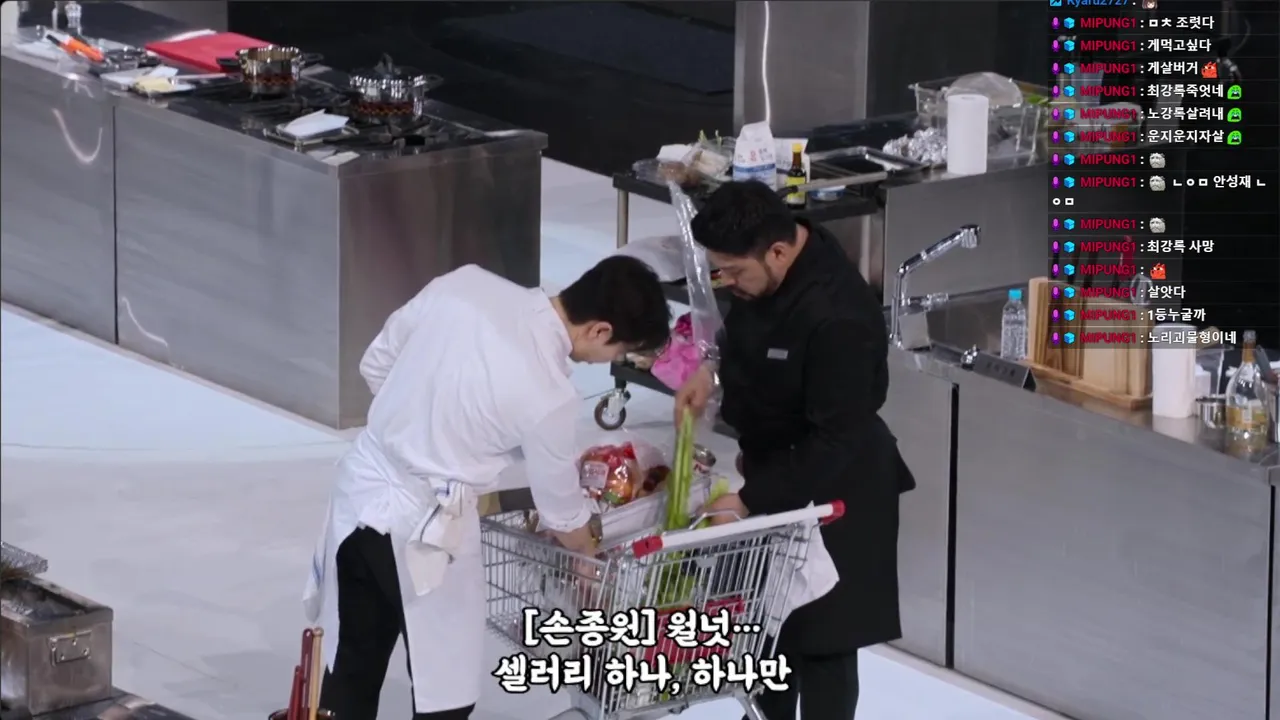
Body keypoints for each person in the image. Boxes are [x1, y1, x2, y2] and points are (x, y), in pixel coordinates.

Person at [303, 257, 671, 720]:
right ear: (600, 330)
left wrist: (421, 429)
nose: (609, 362)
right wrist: (589, 556)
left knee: (352, 662)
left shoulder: (465, 284)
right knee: (445, 695)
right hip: (426, 531)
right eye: (618, 352)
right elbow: (563, 516)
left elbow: (376, 365)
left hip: (358, 493)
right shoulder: (550, 394)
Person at [674, 181, 915, 720]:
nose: (727, 283)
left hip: (839, 487)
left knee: (824, 640)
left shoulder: (839, 317)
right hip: (777, 467)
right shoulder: (769, 266)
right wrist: (711, 370)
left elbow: (837, 438)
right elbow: (746, 326)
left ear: (779, 252)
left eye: (734, 271)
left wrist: (749, 499)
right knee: (767, 635)